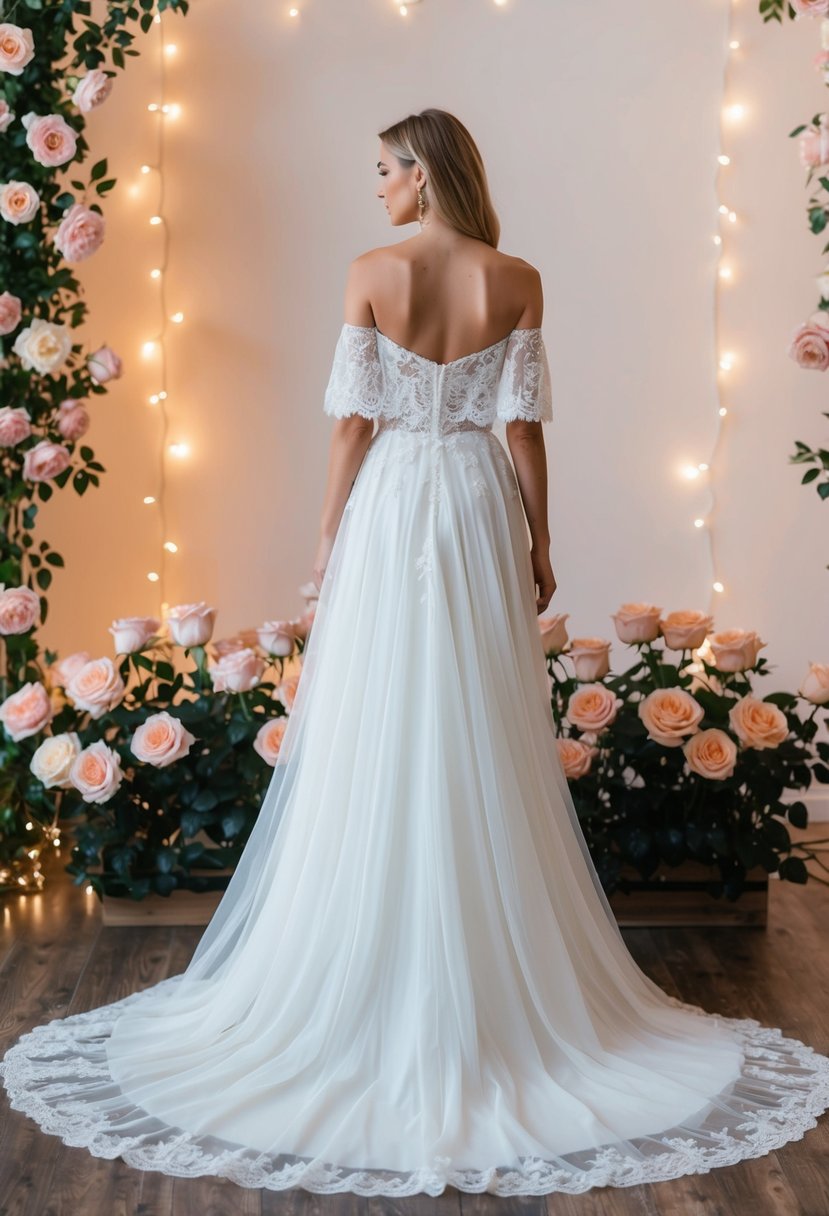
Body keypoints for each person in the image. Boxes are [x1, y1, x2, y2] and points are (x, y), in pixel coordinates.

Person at [2, 108, 828, 1200]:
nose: (377, 188)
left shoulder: (371, 272)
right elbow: (526, 429)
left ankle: (373, 957)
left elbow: (352, 422)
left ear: (425, 176)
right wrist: (539, 543)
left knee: (381, 714)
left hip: (395, 504)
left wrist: (327, 532)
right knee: (474, 712)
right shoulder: (517, 277)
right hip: (478, 504)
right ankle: (480, 963)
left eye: (386, 170)